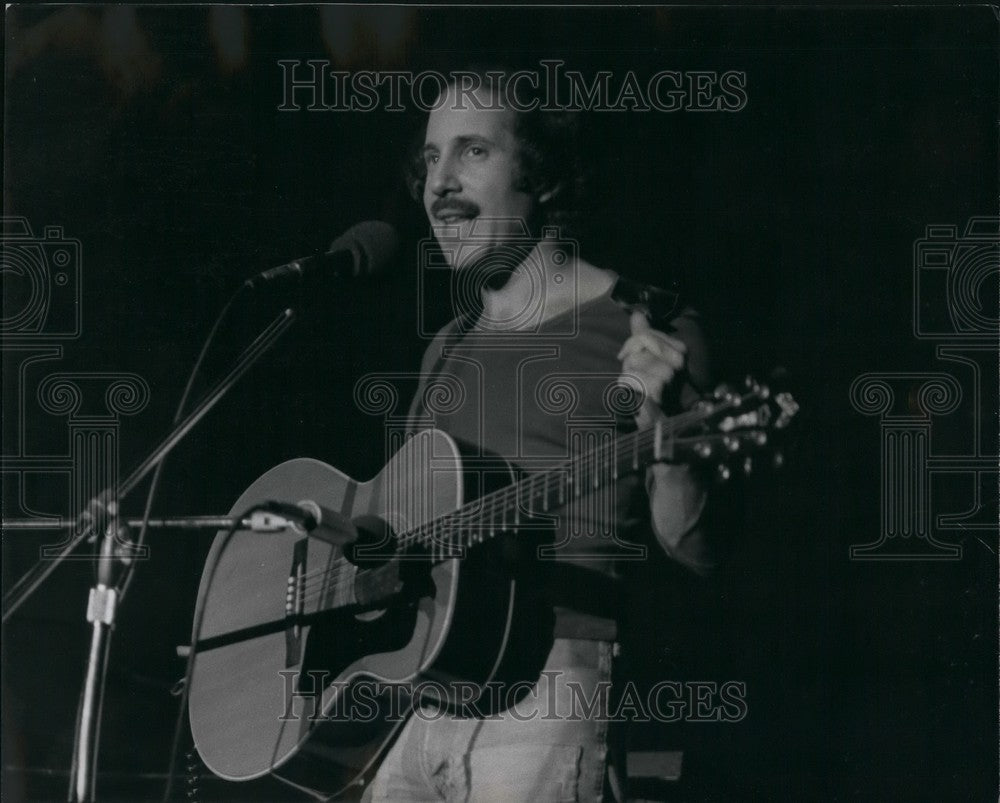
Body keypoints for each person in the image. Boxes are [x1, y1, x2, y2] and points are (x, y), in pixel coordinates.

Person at [362, 68, 725, 802]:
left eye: (472, 153)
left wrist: (668, 439)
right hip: (428, 690)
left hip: (549, 683)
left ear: (546, 177)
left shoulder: (646, 328)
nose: (440, 184)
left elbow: (702, 554)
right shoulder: (446, 349)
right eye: (431, 159)